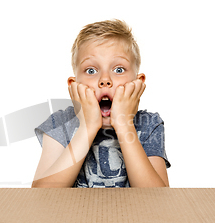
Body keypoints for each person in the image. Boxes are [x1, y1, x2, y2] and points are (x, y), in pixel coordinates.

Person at [32, 19, 170, 188]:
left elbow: (158, 200)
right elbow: (41, 195)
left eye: (119, 70)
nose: (105, 80)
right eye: (91, 70)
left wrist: (124, 124)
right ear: (73, 85)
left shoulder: (149, 124)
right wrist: (87, 127)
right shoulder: (59, 123)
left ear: (138, 82)